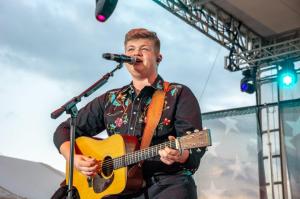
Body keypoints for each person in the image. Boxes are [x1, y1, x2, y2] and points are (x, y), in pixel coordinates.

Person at [53, 28, 205, 199]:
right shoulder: (111, 99)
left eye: (144, 49)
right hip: (116, 188)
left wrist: (179, 154)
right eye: (131, 49)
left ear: (158, 57)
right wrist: (74, 158)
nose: (136, 53)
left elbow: (195, 145)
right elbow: (64, 130)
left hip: (165, 184)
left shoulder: (177, 94)